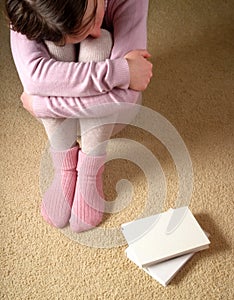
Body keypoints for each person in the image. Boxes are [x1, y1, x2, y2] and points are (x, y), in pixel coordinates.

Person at [5, 0, 153, 233]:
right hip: (66, 125)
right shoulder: (30, 6)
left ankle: (89, 171)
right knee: (58, 48)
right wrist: (121, 70)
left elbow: (126, 97)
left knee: (99, 42)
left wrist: (43, 104)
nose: (95, 28)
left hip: (111, 116)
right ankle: (64, 169)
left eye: (92, 16)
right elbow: (35, 78)